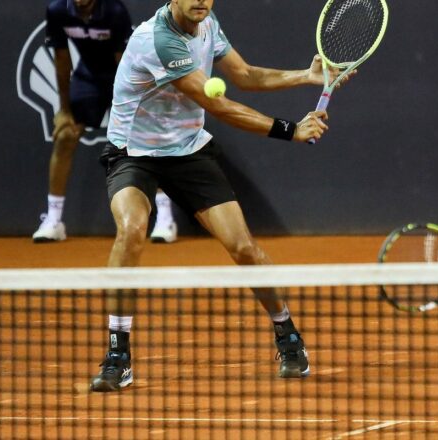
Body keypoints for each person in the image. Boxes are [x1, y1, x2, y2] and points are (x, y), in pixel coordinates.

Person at [89, 0, 341, 392]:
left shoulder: (207, 23)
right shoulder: (159, 41)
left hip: (188, 151)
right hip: (134, 153)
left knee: (243, 247)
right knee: (132, 229)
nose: (201, 1)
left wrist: (305, 76)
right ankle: (117, 353)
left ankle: (287, 334)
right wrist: (291, 130)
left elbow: (245, 75)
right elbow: (218, 105)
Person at [34, 0, 178, 243]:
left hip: (124, 75)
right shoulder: (57, 10)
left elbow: (125, 64)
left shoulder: (114, 10)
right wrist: (65, 110)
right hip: (88, 77)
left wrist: (130, 109)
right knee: (66, 134)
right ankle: (53, 220)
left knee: (146, 139)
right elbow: (61, 58)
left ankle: (165, 218)